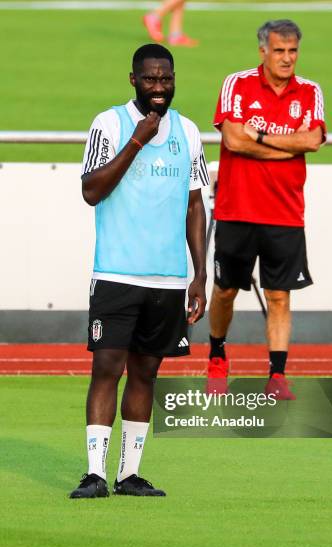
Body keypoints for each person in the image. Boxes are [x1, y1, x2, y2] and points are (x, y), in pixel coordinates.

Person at [70, 44, 208, 499]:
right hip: (116, 272)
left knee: (146, 374)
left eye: (166, 79)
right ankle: (94, 473)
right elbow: (91, 190)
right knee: (107, 368)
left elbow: (194, 205)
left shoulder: (188, 131)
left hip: (167, 278)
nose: (159, 88)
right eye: (150, 79)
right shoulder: (109, 124)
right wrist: (137, 141)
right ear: (133, 79)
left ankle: (129, 474)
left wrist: (199, 274)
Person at [207, 19, 326, 400]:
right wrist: (286, 146)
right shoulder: (237, 84)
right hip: (237, 208)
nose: (287, 58)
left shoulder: (309, 91)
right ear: (263, 51)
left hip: (285, 212)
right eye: (279, 51)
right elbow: (232, 140)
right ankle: (217, 356)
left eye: (292, 51)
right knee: (225, 291)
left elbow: (313, 140)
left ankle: (277, 374)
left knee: (280, 296)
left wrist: (257, 135)